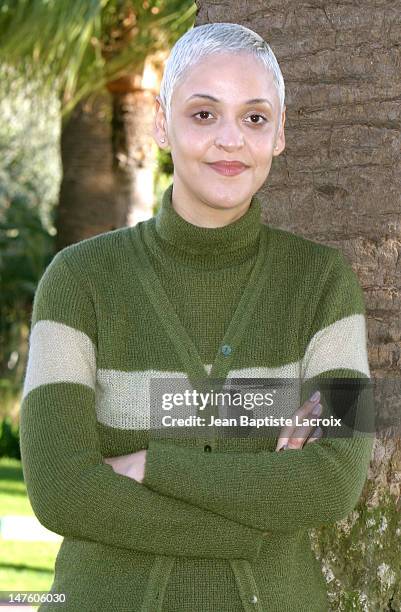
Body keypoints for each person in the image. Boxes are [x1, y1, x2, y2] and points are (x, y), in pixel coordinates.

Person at [19, 22, 374, 612]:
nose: (230, 140)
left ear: (279, 133)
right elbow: (61, 491)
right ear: (162, 124)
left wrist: (151, 466)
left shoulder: (324, 284)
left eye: (255, 118)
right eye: (204, 114)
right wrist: (256, 524)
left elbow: (334, 481)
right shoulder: (78, 281)